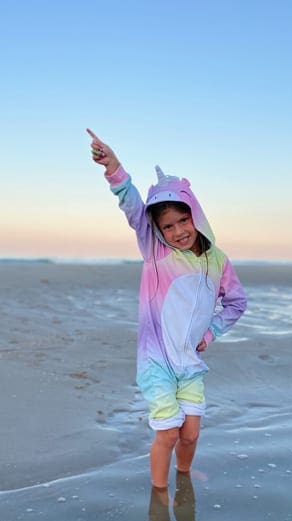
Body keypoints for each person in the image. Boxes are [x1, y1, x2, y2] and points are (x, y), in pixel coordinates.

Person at [88, 128, 247, 489]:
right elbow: (131, 207)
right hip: (157, 360)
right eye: (168, 226)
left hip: (189, 362)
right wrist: (113, 168)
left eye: (183, 220)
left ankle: (185, 475)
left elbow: (237, 302)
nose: (177, 231)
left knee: (190, 433)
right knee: (169, 433)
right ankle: (159, 495)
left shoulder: (217, 261)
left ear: (196, 215)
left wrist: (211, 332)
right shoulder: (156, 251)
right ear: (157, 231)